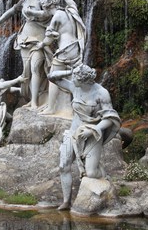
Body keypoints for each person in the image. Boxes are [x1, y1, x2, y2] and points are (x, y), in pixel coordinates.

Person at [48, 64, 121, 210]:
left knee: (92, 173)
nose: (71, 78)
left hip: (92, 133)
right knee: (63, 165)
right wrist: (71, 70)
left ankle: (101, 171)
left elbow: (111, 117)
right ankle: (66, 201)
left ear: (84, 80)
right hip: (74, 132)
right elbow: (52, 77)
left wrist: (95, 128)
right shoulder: (75, 87)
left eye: (75, 77)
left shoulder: (101, 93)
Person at [0, 0, 52, 109]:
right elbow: (11, 12)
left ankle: (35, 102)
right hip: (24, 38)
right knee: (27, 71)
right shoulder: (24, 0)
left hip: (39, 38)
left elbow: (50, 13)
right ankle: (31, 100)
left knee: (36, 68)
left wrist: (33, 14)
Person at [36, 0, 86, 116]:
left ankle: (51, 108)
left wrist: (40, 45)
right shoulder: (69, 11)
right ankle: (78, 109)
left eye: (43, 8)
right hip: (75, 48)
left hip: (65, 50)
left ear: (46, 7)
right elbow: (72, 3)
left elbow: (48, 40)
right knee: (74, 78)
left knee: (53, 77)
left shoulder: (56, 16)